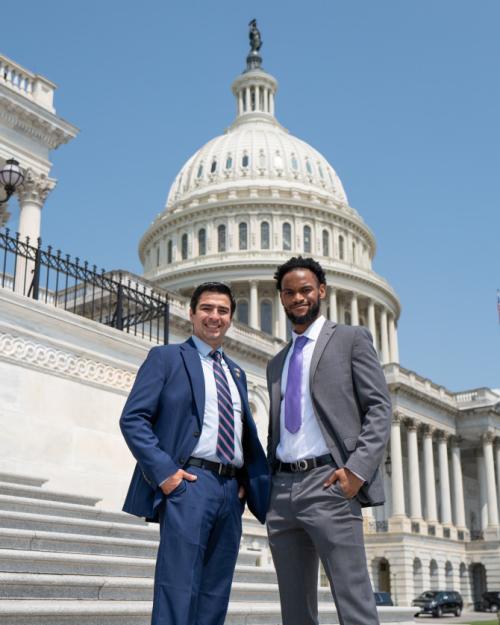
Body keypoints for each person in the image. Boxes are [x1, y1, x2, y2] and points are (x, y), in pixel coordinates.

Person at [120, 282, 270, 625]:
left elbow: (244, 435)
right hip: (190, 483)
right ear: (191, 313)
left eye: (222, 310)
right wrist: (167, 475)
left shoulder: (236, 373)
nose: (214, 317)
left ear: (231, 318)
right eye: (207, 309)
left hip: (231, 493)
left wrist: (244, 482)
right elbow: (133, 419)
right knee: (178, 588)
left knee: (215, 593)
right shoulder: (167, 358)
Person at [266, 257, 392, 625]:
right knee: (295, 610)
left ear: (321, 291)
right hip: (283, 490)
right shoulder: (278, 361)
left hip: (330, 484)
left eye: (305, 290)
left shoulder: (351, 339)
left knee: (353, 603)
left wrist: (355, 472)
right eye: (289, 293)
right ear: (281, 299)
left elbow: (379, 409)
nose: (298, 298)